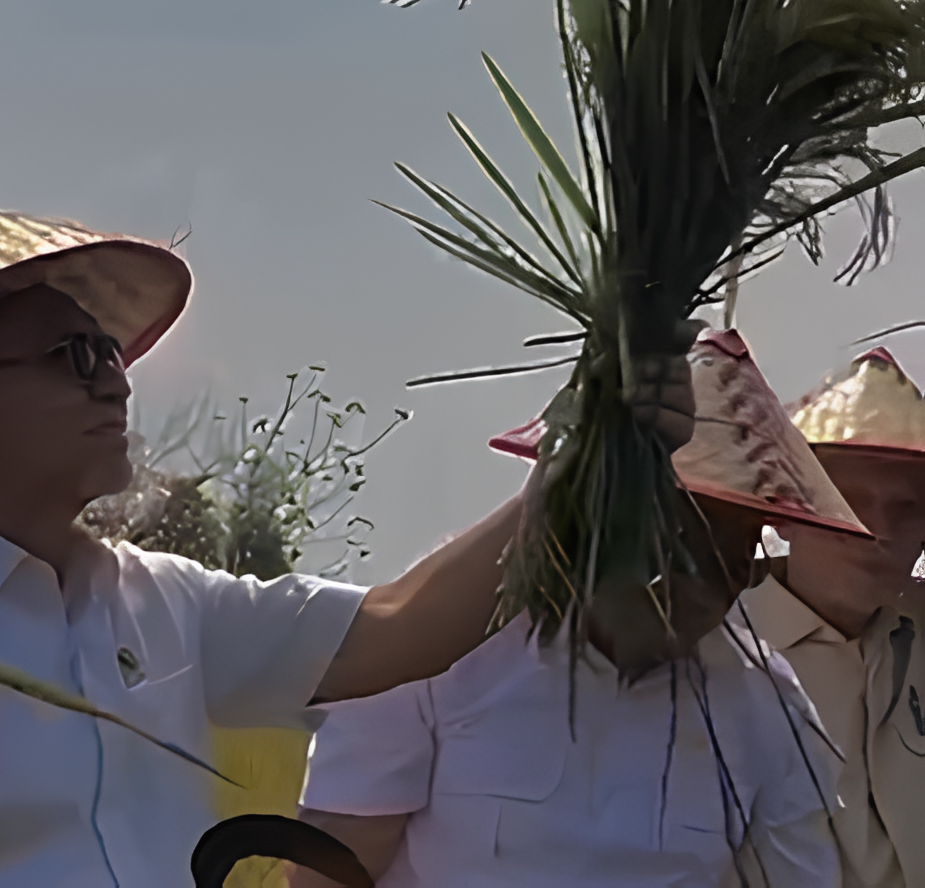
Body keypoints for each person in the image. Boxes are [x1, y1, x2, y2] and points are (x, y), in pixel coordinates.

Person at [0, 188, 696, 888]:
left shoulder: (159, 600)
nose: (114, 383)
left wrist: (585, 453)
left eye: (108, 355)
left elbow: (400, 629)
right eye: (74, 359)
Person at [291, 330, 851, 888]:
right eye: (660, 537)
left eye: (721, 554)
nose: (679, 583)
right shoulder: (437, 641)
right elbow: (331, 873)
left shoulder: (769, 707)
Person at [733, 346, 925, 888]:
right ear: (785, 512)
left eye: (908, 506)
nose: (879, 527)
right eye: (849, 498)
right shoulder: (710, 661)